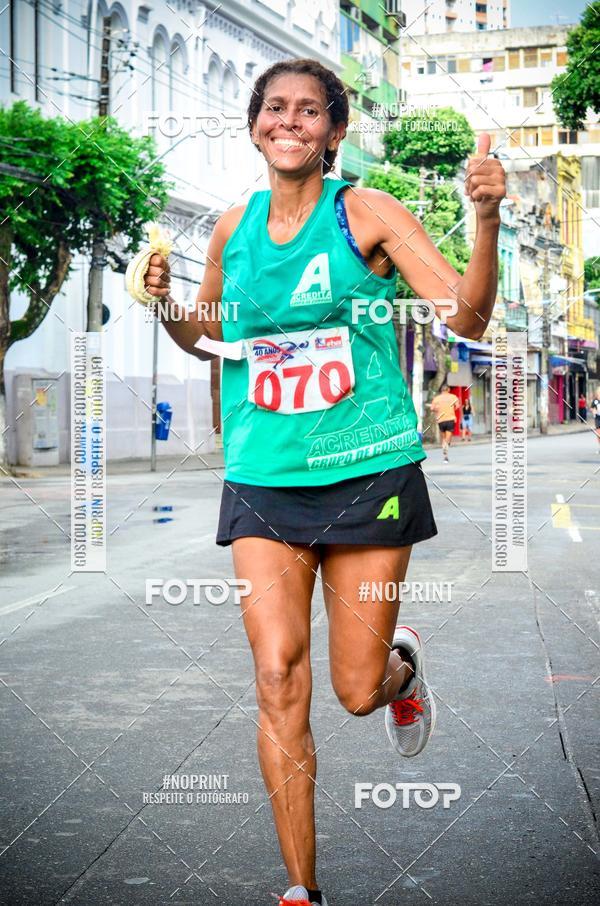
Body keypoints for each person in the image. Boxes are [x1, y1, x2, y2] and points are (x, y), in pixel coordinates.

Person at [140, 59, 506, 906]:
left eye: (310, 110)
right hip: (264, 477)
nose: (290, 122)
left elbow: (466, 316)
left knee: (353, 691)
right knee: (276, 676)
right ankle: (301, 890)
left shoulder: (367, 213)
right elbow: (209, 335)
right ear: (255, 124)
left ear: (334, 131)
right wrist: (164, 304)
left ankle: (401, 674)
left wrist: (485, 219)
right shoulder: (232, 229)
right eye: (275, 108)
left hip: (367, 472)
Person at [429, 384, 461, 462]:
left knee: (443, 437)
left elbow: (432, 408)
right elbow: (457, 406)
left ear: (441, 390)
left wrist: (437, 409)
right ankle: (446, 449)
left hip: (441, 420)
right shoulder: (453, 397)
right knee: (448, 437)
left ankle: (445, 448)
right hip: (450, 418)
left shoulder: (437, 398)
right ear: (448, 389)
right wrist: (451, 408)